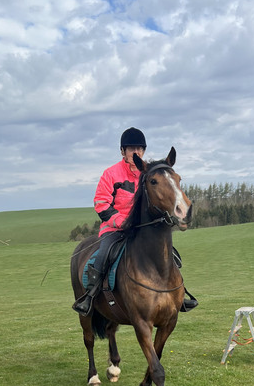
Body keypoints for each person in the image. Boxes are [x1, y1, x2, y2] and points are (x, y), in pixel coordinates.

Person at [73, 128, 197, 315]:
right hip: (115, 229)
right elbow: (101, 203)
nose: (136, 152)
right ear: (123, 151)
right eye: (131, 148)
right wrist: (121, 221)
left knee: (169, 254)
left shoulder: (149, 173)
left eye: (140, 148)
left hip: (143, 229)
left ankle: (177, 294)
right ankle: (89, 296)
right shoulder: (110, 174)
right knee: (103, 254)